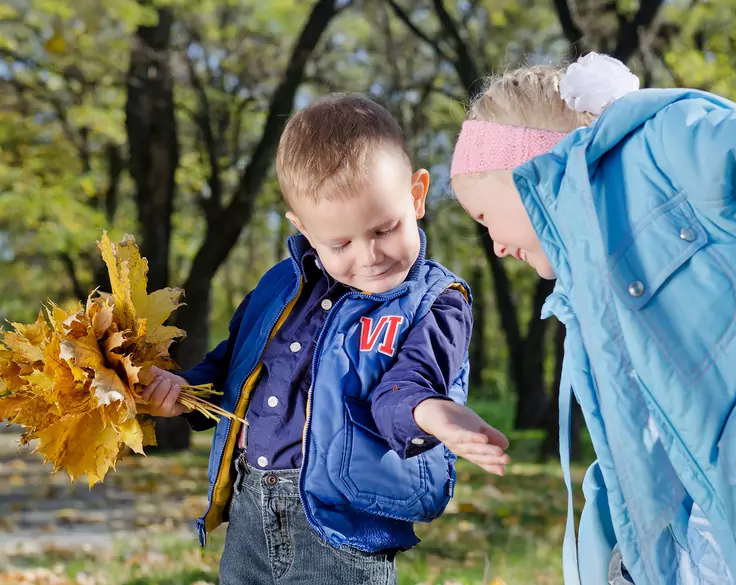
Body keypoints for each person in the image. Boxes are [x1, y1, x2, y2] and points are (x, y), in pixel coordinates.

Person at [140, 93, 510, 585]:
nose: (369, 255)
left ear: (417, 195)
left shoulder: (435, 301)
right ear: (305, 229)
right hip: (251, 510)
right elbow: (232, 369)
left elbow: (410, 384)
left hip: (343, 529)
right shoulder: (280, 287)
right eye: (340, 243)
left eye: (385, 228)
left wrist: (433, 414)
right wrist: (181, 394)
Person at [449, 52, 736, 585]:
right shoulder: (589, 297)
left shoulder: (665, 152)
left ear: (522, 170)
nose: (496, 246)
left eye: (484, 217)